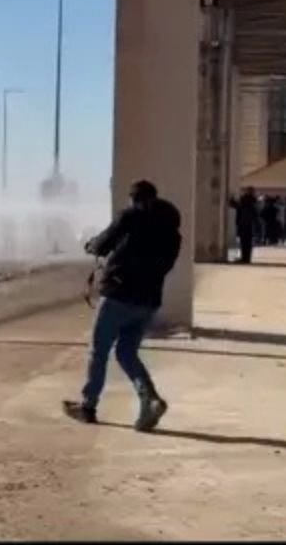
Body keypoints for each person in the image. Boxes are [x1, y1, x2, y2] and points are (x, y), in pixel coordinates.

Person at [63, 179, 181, 432]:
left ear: (133, 198)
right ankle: (149, 399)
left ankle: (88, 406)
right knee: (126, 352)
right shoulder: (172, 232)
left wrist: (91, 245)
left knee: (99, 350)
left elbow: (103, 242)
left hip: (119, 295)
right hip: (148, 301)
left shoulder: (130, 217)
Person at [229, 187, 258, 264]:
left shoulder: (245, 200)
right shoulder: (254, 201)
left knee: (244, 243)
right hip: (250, 225)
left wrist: (231, 200)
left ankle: (244, 258)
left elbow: (237, 205)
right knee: (248, 244)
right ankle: (247, 258)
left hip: (244, 224)